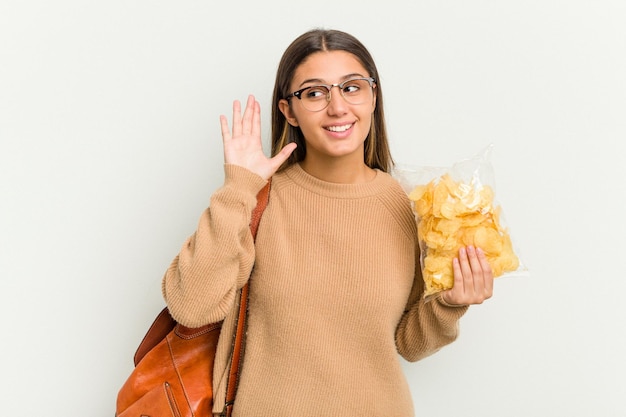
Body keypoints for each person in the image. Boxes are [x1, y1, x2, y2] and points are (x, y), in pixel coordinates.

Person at [162, 28, 493, 417]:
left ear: (373, 97)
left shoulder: (409, 205)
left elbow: (409, 343)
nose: (337, 107)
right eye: (315, 93)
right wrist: (239, 185)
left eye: (352, 88)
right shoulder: (257, 200)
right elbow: (192, 308)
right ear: (288, 110)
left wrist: (450, 304)